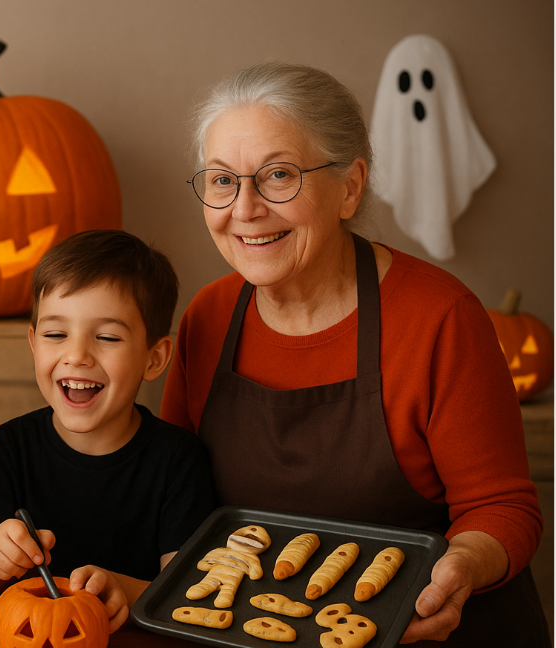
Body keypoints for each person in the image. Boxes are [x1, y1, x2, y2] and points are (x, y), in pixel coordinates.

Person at [160, 60, 547, 646]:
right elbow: (172, 488)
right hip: (264, 631)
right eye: (221, 179)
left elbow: (503, 508)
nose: (244, 208)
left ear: (349, 187)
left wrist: (458, 570)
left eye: (279, 175)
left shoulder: (439, 318)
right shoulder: (206, 319)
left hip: (432, 630)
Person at [0, 229, 216, 632]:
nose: (77, 355)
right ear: (33, 343)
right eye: (55, 334)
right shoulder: (13, 445)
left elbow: (186, 590)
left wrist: (125, 589)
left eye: (107, 337)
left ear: (155, 358)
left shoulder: (178, 460)